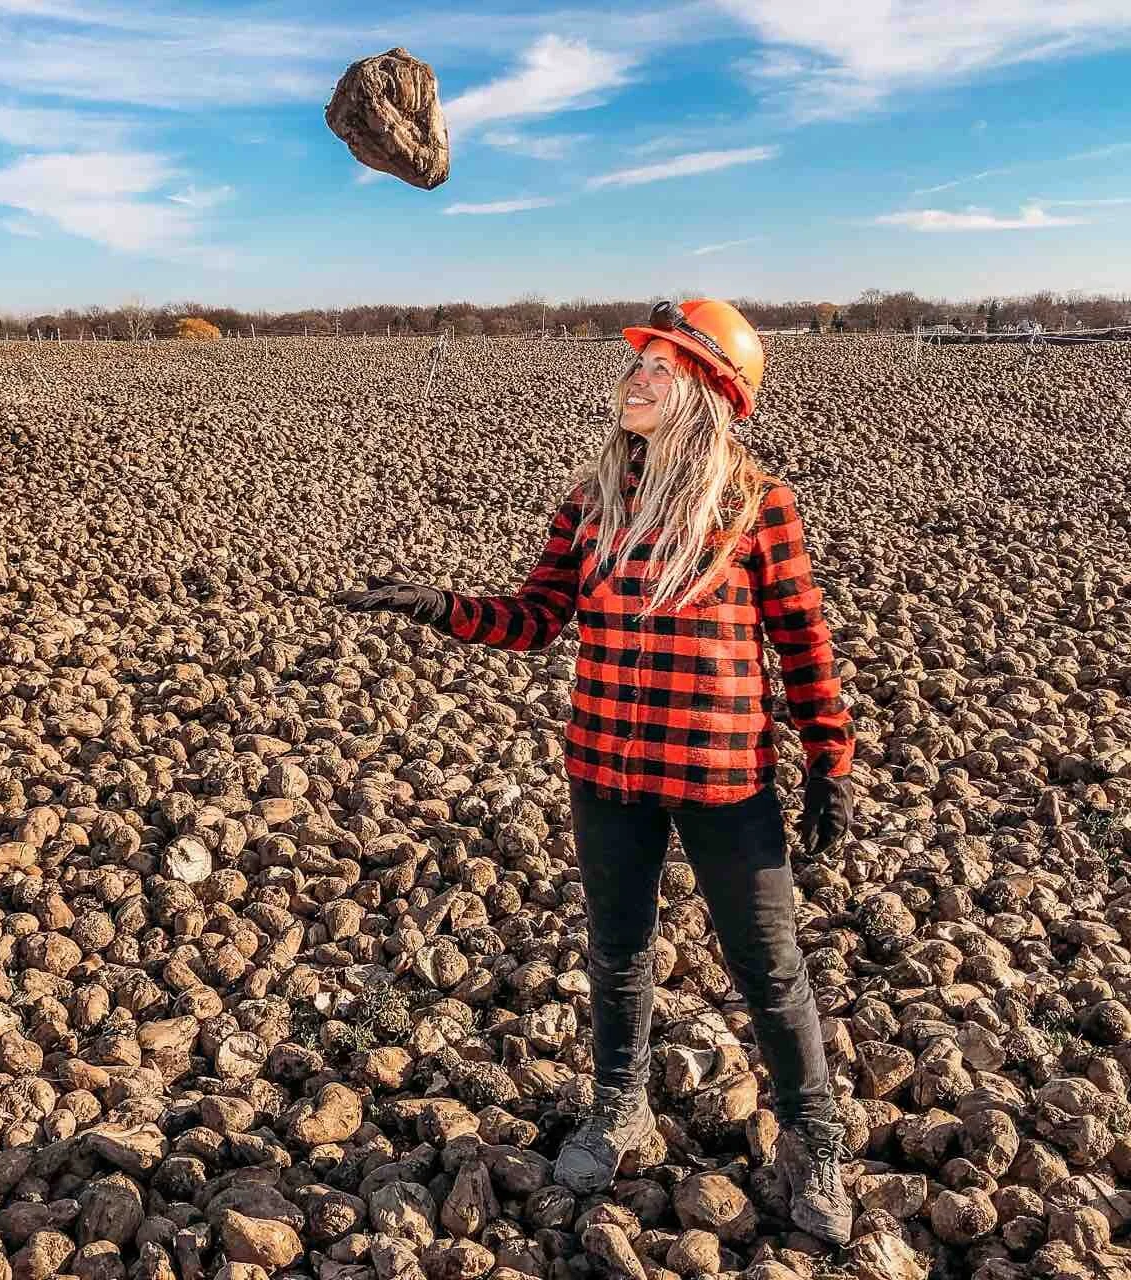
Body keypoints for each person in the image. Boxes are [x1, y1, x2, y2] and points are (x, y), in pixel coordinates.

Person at [335, 299, 856, 1246]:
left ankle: (815, 1141)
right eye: (641, 362)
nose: (639, 377)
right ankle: (617, 1110)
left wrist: (830, 761)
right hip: (606, 770)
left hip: (722, 778)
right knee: (619, 951)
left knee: (768, 966)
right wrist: (436, 605)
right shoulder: (592, 500)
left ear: (710, 394)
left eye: (665, 366)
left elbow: (803, 643)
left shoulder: (754, 503)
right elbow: (538, 616)